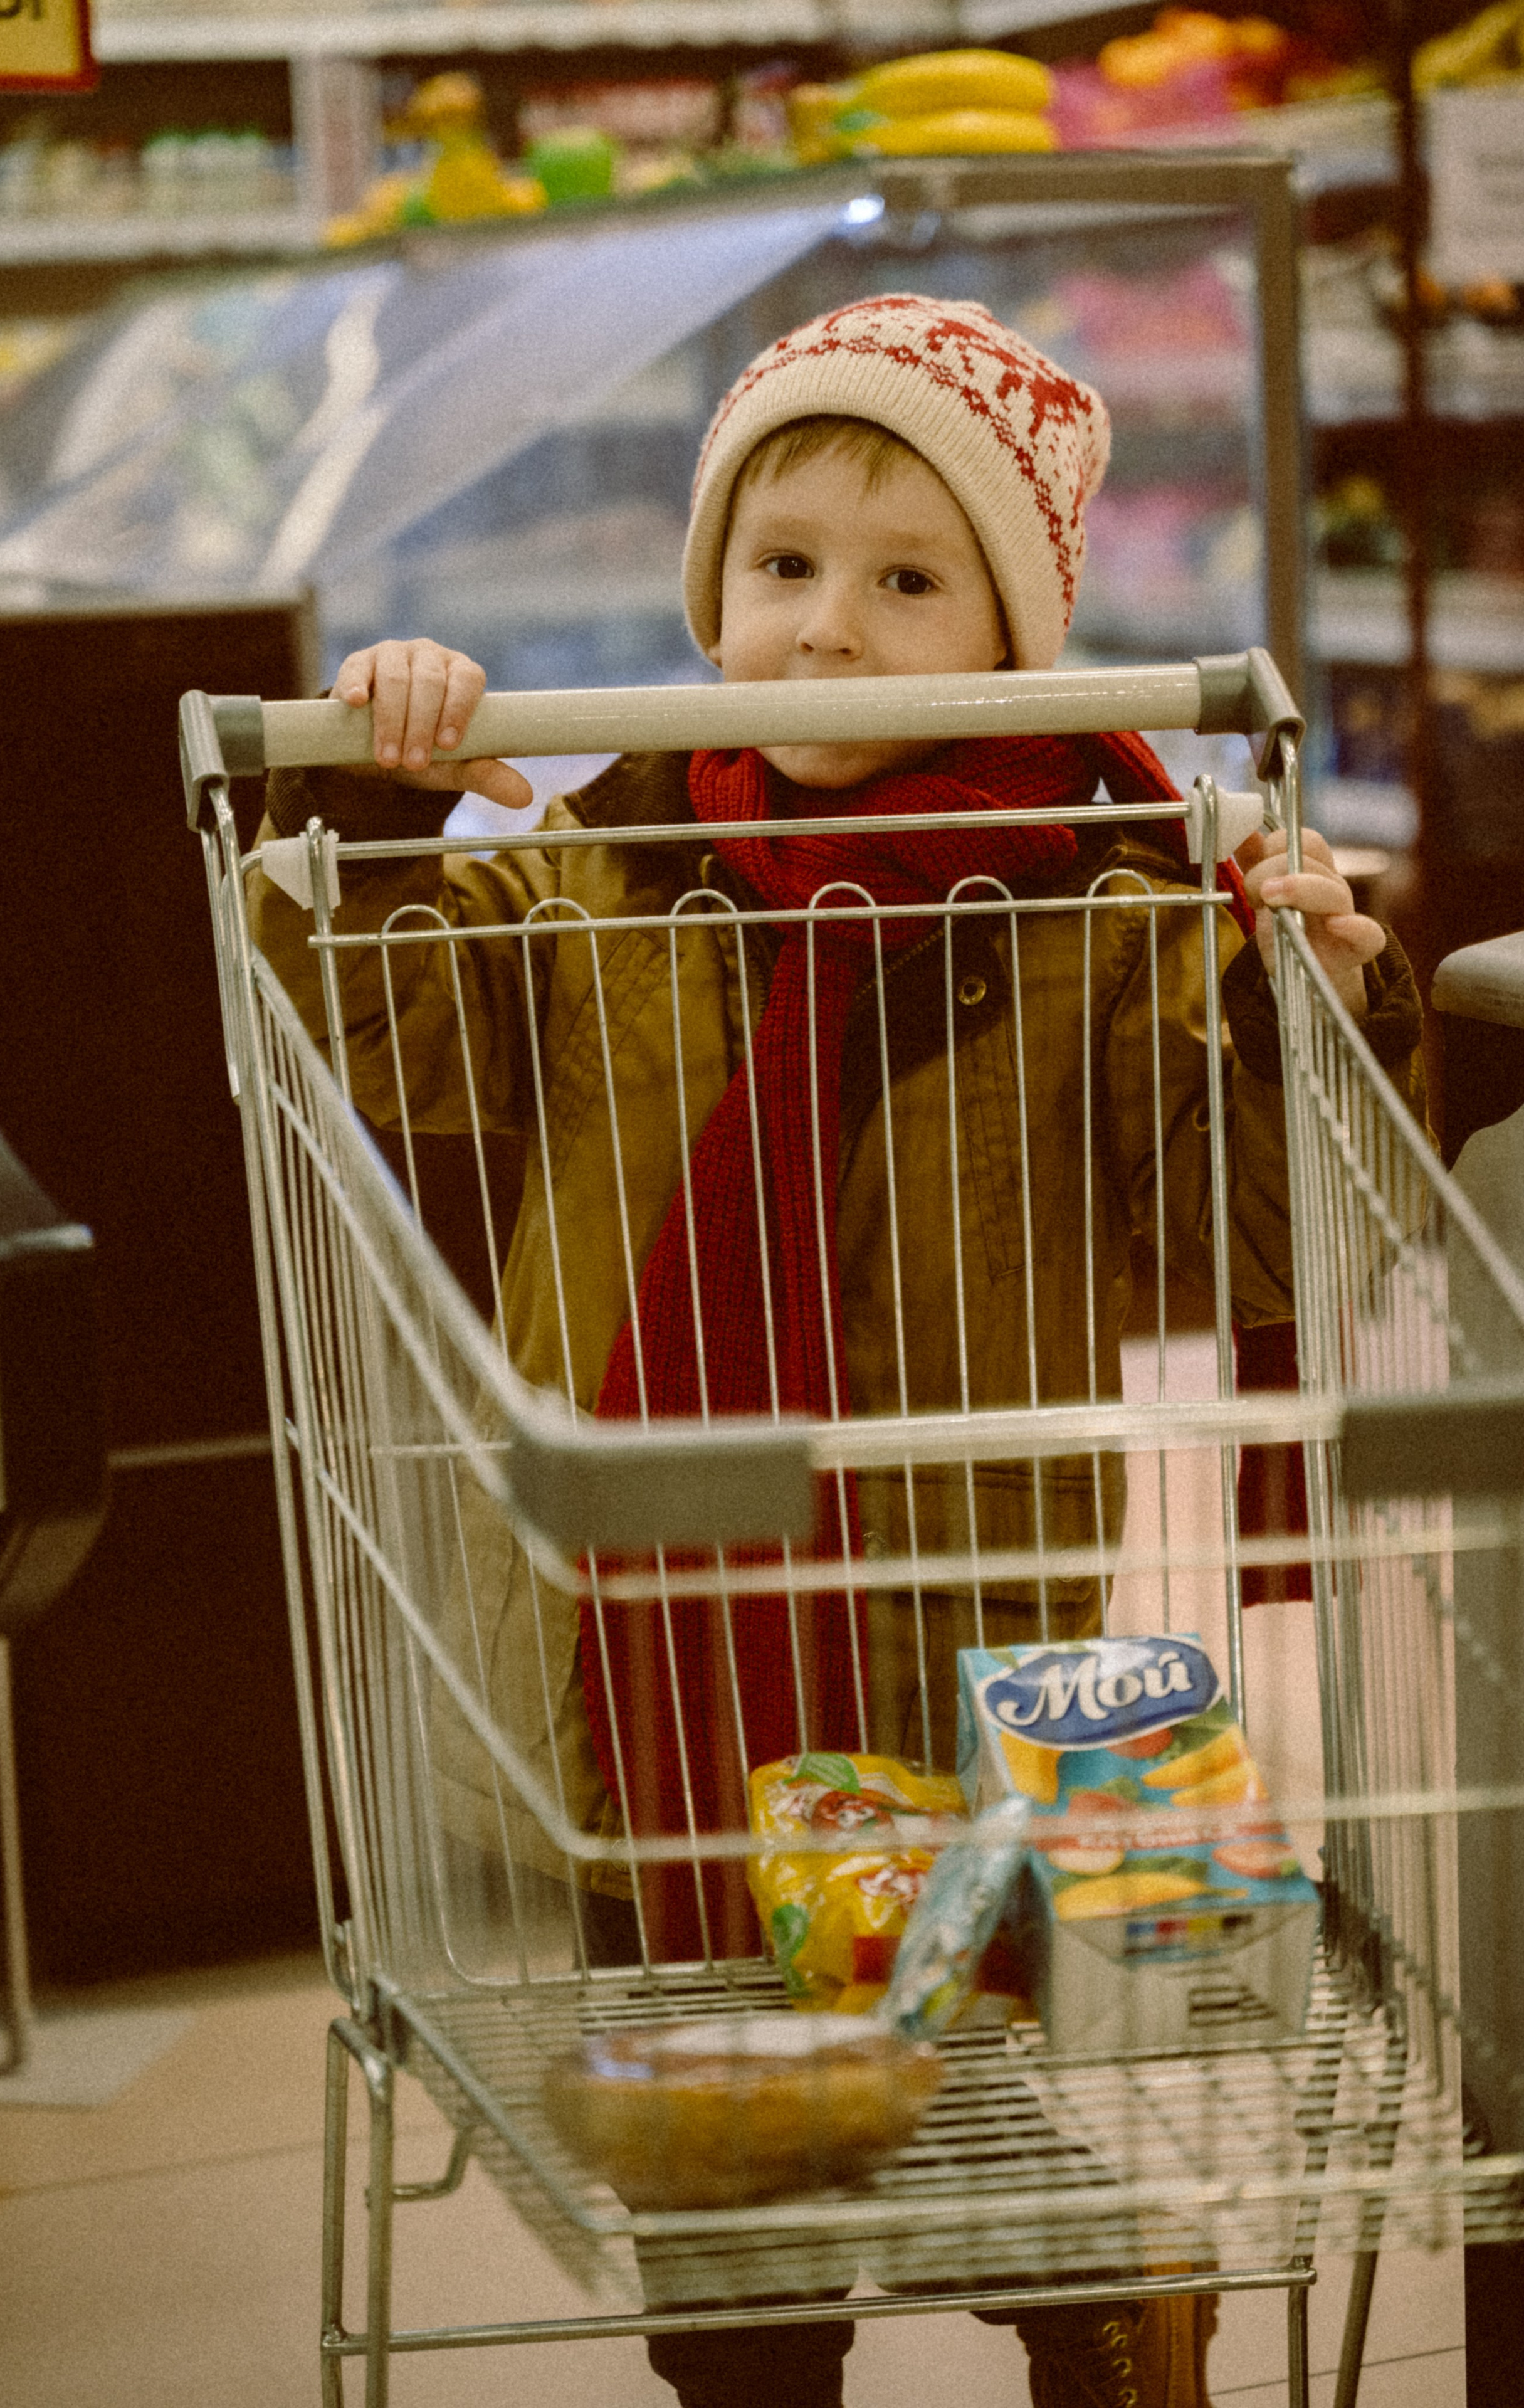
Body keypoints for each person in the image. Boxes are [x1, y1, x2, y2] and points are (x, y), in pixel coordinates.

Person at [251, 295, 1423, 2408]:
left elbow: (1245, 1234)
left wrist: (1304, 1001)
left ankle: (1105, 2322)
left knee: (1023, 2091)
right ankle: (758, 2365)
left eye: (908, 584)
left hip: (967, 1619)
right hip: (648, 1622)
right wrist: (383, 796)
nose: (826, 631)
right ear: (711, 599)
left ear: (1019, 630)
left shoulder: (1113, 906)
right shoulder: (605, 862)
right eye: (782, 566)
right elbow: (379, 1027)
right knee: (728, 2157)